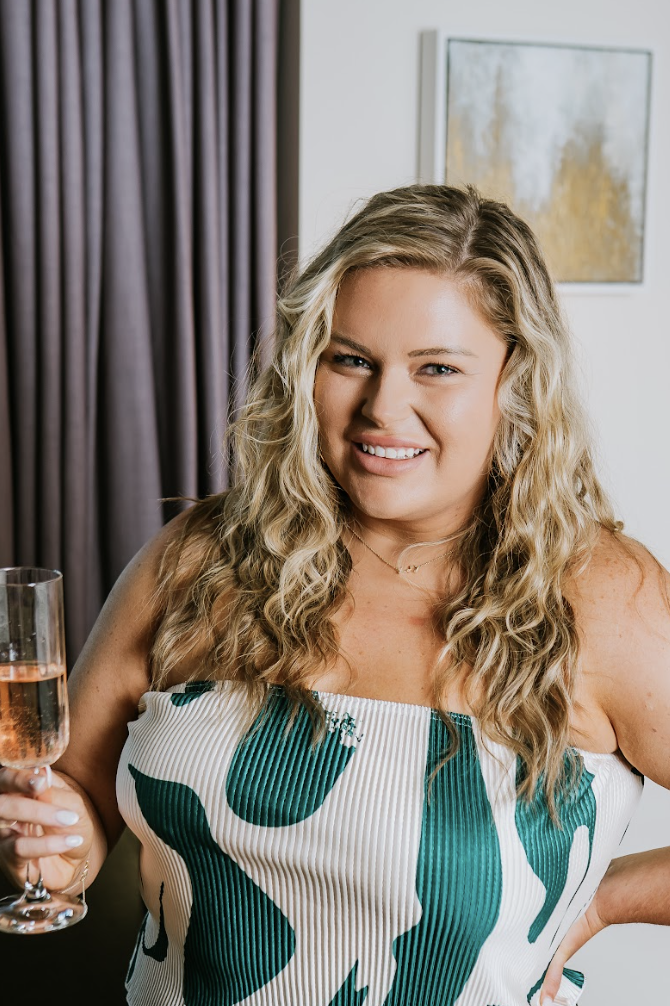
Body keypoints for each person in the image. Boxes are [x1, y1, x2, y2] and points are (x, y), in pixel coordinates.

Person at [1, 184, 669, 1006]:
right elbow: (78, 796)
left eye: (437, 369)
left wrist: (605, 898)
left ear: (513, 382)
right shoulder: (196, 559)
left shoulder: (600, 598)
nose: (383, 407)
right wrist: (53, 843)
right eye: (350, 359)